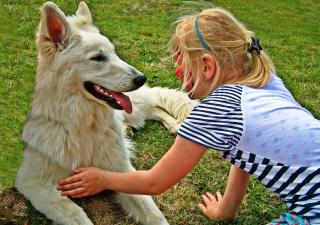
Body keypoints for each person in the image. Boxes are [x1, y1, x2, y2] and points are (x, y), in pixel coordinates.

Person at [58, 7, 320, 225]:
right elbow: (243, 152)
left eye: (180, 61)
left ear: (207, 66)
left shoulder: (215, 112)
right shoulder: (267, 82)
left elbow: (154, 182)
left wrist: (102, 178)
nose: (177, 72)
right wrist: (225, 211)